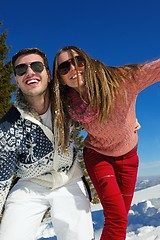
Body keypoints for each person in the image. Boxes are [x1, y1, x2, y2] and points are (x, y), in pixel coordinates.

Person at [52, 45, 160, 240]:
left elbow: (156, 69)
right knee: (117, 219)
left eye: (78, 61)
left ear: (88, 62)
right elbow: (37, 97)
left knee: (122, 214)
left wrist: (130, 122)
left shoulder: (121, 80)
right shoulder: (65, 102)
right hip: (98, 156)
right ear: (60, 77)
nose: (73, 69)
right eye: (64, 67)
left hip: (129, 158)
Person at [0, 48, 94, 240]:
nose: (30, 72)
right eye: (21, 70)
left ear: (48, 74)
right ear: (16, 80)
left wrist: (127, 121)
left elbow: (100, 105)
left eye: (36, 66)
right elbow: (2, 179)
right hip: (30, 185)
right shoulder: (8, 127)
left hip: (69, 179)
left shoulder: (67, 103)